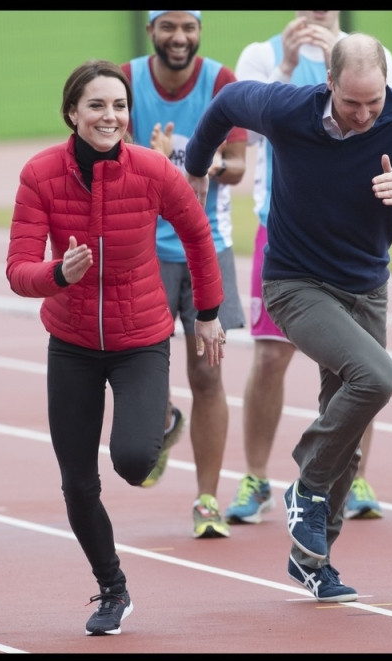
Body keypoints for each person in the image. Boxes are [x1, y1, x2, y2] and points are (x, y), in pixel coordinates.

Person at [185, 33, 392, 602]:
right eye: (351, 102)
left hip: (365, 289)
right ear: (328, 83)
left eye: (374, 102)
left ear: (387, 85)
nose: (363, 115)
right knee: (377, 377)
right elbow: (228, 102)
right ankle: (305, 482)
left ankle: (313, 560)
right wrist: (195, 165)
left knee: (348, 436)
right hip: (294, 282)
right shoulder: (289, 107)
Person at [6, 60, 226, 636]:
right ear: (72, 113)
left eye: (119, 106)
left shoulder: (153, 171)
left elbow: (198, 235)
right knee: (78, 482)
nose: (110, 116)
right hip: (72, 342)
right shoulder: (40, 174)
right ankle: (112, 588)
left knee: (133, 461)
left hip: (141, 338)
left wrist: (207, 315)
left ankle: (159, 417)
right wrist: (58, 273)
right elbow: (18, 269)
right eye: (97, 106)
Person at [228, 10, 392, 526]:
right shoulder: (259, 56)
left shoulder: (372, 56)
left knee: (363, 364)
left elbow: (391, 129)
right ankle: (257, 475)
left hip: (351, 232)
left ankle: (353, 468)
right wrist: (283, 66)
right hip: (279, 228)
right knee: (271, 357)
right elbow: (248, 137)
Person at [120, 10, 247, 539]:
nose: (179, 37)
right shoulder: (124, 81)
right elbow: (108, 162)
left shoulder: (221, 82)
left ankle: (207, 500)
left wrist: (200, 165)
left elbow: (238, 165)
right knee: (137, 370)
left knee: (209, 374)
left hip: (206, 248)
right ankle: (165, 419)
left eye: (188, 26)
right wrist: (147, 161)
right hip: (142, 250)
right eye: (167, 26)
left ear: (199, 30)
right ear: (150, 30)